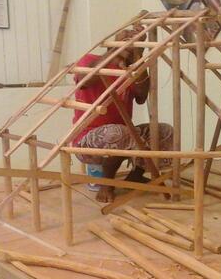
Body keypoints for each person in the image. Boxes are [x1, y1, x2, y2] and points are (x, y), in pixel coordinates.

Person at [72, 26, 173, 203]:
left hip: (124, 136)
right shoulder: (90, 60)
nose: (128, 46)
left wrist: (138, 57)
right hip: (88, 139)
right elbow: (86, 81)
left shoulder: (131, 69)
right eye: (124, 43)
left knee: (164, 131)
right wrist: (114, 52)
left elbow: (141, 96)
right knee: (118, 132)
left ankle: (135, 176)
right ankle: (106, 184)